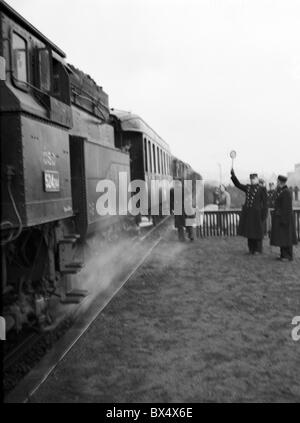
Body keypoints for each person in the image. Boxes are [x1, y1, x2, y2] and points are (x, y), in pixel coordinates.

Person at [231, 169, 268, 254]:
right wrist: (233, 175)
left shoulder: (262, 189)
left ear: (257, 179)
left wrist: (264, 215)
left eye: (254, 178)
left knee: (257, 233)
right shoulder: (248, 188)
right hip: (249, 214)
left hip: (257, 214)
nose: (252, 180)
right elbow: (238, 184)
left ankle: (258, 249)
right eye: (251, 179)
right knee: (250, 232)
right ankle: (251, 249)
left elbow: (265, 204)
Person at [270, 175, 298, 261]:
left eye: (277, 181)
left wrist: (284, 220)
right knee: (282, 238)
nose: (276, 182)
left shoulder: (286, 192)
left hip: (285, 219)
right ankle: (283, 255)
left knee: (287, 238)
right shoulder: (281, 191)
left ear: (280, 182)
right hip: (280, 218)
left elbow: (286, 208)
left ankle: (288, 256)